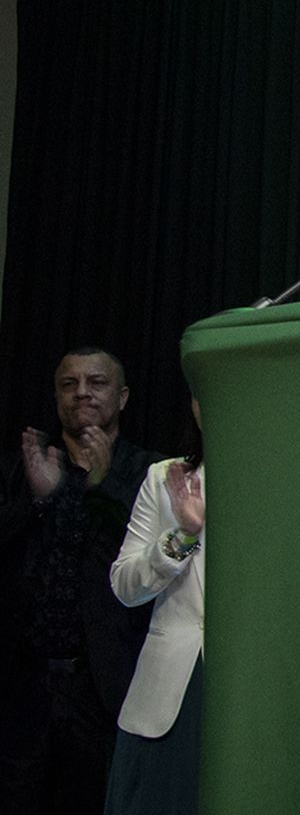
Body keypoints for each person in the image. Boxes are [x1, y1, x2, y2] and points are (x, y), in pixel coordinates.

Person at [6, 348, 160, 815]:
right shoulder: (19, 468)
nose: (82, 393)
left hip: (103, 689)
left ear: (123, 396)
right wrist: (37, 502)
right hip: (22, 688)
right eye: (68, 384)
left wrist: (104, 484)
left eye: (96, 382)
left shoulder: (151, 472)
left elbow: (159, 559)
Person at [104, 425, 204, 815]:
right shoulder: (166, 476)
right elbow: (125, 585)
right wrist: (183, 535)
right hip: (171, 686)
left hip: (253, 688)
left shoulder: (285, 480)